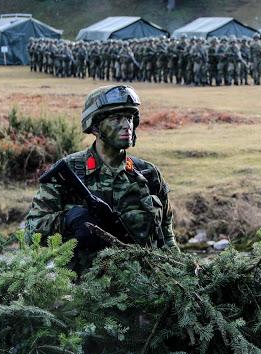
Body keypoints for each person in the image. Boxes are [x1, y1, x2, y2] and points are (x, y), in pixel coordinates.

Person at [25, 85, 179, 272]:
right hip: (82, 291)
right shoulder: (70, 171)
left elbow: (167, 236)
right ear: (96, 126)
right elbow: (32, 232)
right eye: (116, 119)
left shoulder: (148, 174)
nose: (127, 125)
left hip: (142, 289)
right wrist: (69, 220)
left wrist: (180, 273)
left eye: (130, 118)